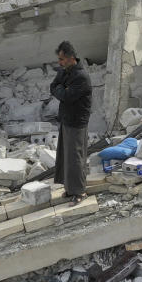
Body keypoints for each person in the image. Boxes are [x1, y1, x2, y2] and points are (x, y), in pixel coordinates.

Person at [50, 41, 92, 205]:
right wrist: (62, 89)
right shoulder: (65, 72)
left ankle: (80, 192)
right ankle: (70, 188)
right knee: (66, 156)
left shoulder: (81, 76)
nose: (60, 63)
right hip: (67, 119)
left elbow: (66, 96)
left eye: (62, 59)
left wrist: (62, 91)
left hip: (77, 122)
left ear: (71, 58)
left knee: (76, 158)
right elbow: (53, 87)